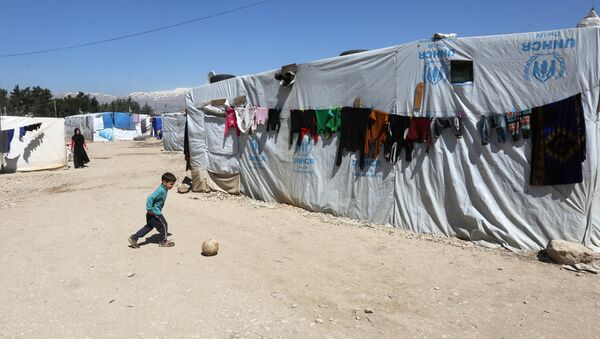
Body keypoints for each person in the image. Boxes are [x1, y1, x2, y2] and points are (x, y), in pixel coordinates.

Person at [128, 172, 177, 248]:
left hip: (152, 213)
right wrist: (149, 209)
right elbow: (150, 198)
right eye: (171, 184)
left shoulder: (164, 188)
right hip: (154, 212)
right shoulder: (161, 190)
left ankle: (134, 238)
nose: (172, 186)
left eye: (173, 184)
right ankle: (163, 242)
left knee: (149, 226)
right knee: (164, 225)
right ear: (164, 182)